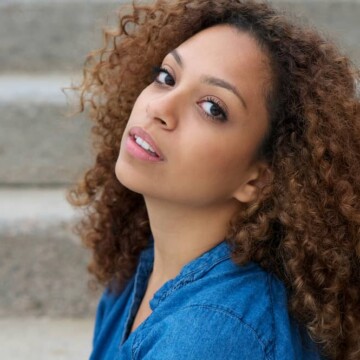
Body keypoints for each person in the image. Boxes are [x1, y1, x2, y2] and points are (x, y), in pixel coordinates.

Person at [68, 0, 360, 359]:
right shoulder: (137, 266)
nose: (159, 108)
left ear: (259, 178)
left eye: (212, 108)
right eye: (166, 77)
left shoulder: (211, 336)